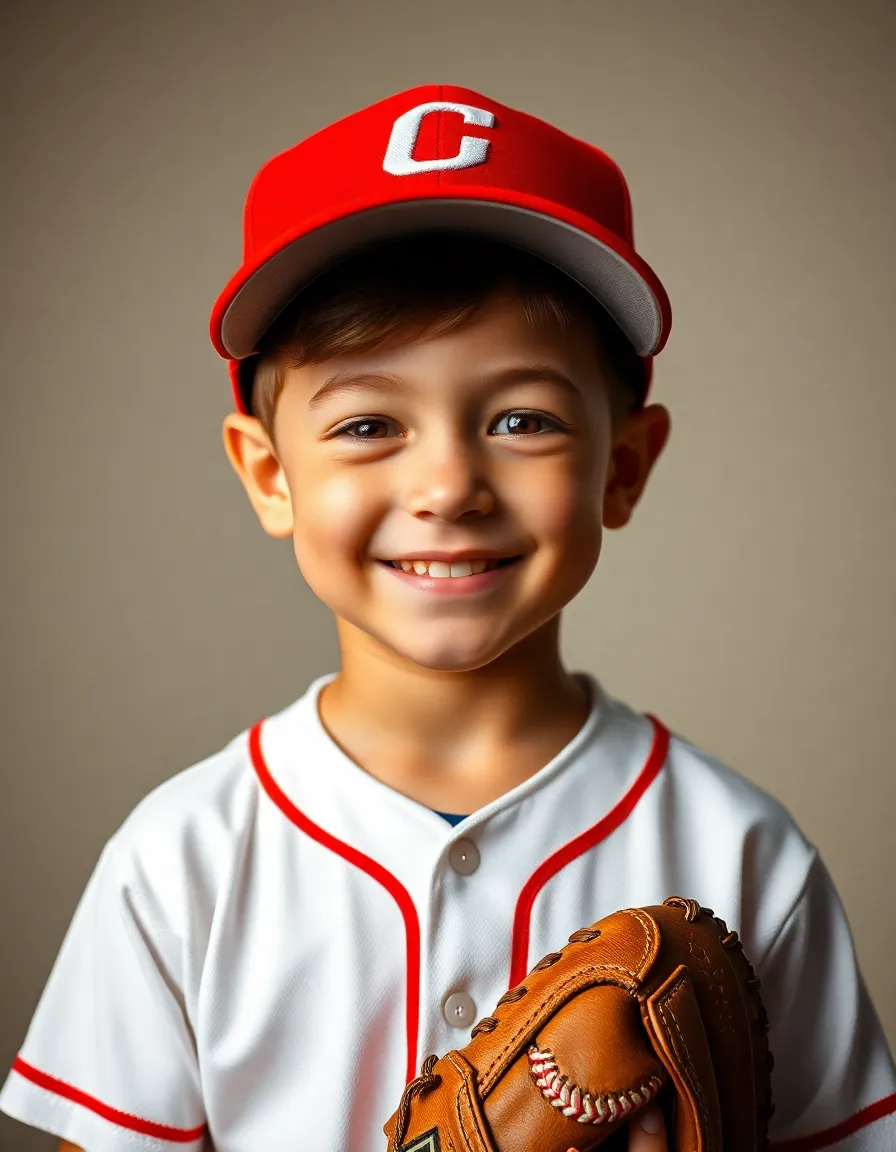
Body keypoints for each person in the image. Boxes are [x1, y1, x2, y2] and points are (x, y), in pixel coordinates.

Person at [2, 84, 894, 1152]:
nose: (448, 484)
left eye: (521, 418)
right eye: (369, 422)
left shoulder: (742, 856)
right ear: (268, 474)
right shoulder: (181, 860)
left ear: (624, 466)